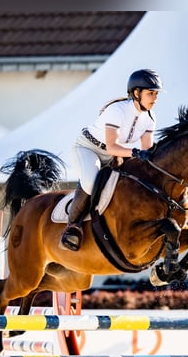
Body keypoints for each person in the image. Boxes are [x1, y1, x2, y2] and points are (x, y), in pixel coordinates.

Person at [60, 68, 162, 252]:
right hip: (88, 148)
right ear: (136, 93)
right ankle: (72, 227)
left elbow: (146, 150)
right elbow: (112, 146)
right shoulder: (117, 110)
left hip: (117, 155)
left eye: (156, 94)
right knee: (92, 182)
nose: (154, 98)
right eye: (150, 93)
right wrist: (137, 153)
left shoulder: (150, 117)